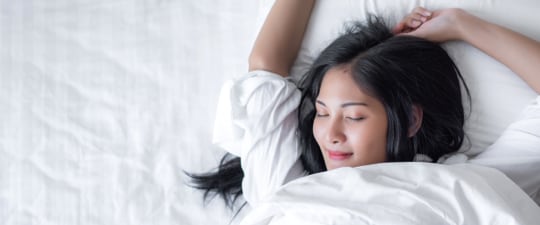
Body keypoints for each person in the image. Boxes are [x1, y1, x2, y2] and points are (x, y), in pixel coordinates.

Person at [188, 0, 540, 212]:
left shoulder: (464, 184)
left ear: (410, 119)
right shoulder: (287, 189)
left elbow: (266, 66)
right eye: (322, 112)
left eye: (354, 116)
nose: (330, 134)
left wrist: (462, 25)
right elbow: (265, 66)